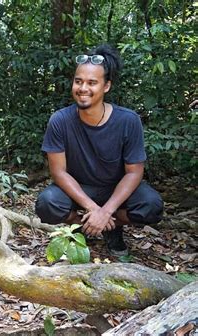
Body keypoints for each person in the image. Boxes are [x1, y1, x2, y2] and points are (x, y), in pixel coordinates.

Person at [35, 44, 163, 256]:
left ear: (106, 86)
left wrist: (106, 211)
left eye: (92, 82)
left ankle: (111, 226)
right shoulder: (60, 120)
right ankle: (84, 226)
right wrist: (93, 210)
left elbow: (134, 172)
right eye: (78, 81)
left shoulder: (128, 120)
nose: (83, 88)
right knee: (47, 204)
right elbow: (58, 172)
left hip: (115, 189)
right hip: (80, 189)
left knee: (151, 205)